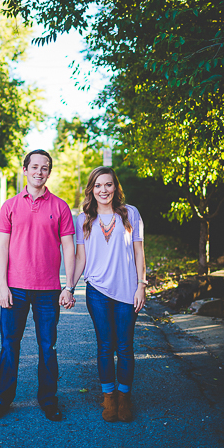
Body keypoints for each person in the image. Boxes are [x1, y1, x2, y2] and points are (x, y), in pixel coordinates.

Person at [0, 149, 76, 422]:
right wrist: (3, 286)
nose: (39, 172)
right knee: (9, 345)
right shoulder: (10, 206)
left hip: (49, 291)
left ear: (49, 172)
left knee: (47, 347)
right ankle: (2, 399)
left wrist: (69, 286)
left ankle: (48, 400)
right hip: (15, 289)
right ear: (25, 170)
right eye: (34, 167)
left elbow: (69, 248)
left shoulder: (60, 207)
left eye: (44, 168)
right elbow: (2, 247)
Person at [68, 166, 146, 423]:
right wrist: (69, 287)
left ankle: (124, 398)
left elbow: (139, 252)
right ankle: (109, 398)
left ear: (115, 187)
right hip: (97, 292)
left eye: (108, 184)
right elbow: (81, 258)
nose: (104, 190)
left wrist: (141, 285)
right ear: (91, 189)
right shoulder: (84, 219)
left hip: (127, 291)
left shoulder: (130, 213)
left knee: (125, 346)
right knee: (105, 346)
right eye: (98, 185)